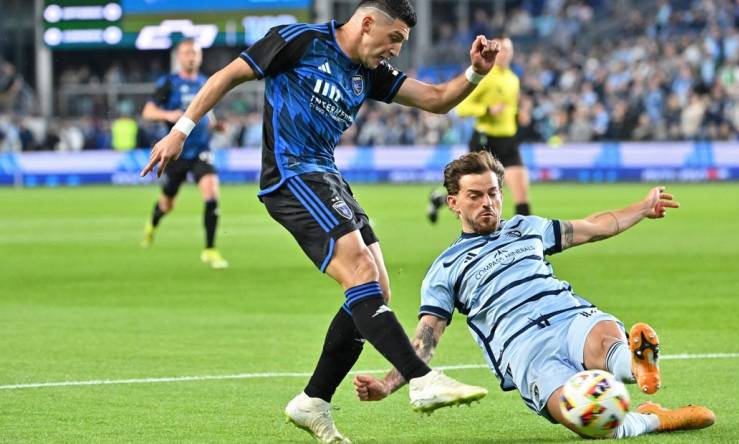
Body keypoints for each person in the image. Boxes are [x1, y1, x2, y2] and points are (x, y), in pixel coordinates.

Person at [141, 1, 501, 442]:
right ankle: (421, 378)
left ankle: (313, 401)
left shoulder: (368, 72)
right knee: (362, 273)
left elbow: (436, 100)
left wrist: (476, 72)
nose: (395, 51)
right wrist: (180, 130)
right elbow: (227, 76)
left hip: (327, 177)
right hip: (291, 175)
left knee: (376, 289)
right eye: (394, 39)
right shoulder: (298, 41)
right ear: (367, 22)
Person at [354, 151, 716, 439]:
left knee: (604, 338)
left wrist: (643, 207)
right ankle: (651, 419)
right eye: (475, 196)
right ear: (453, 203)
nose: (488, 204)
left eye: (494, 193)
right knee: (588, 421)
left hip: (568, 318)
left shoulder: (527, 228)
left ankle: (634, 364)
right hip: (525, 352)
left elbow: (592, 228)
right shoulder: (445, 269)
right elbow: (425, 341)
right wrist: (388, 384)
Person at [140, 38, 228, 269]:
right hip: (176, 154)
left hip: (201, 151)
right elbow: (148, 112)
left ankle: (210, 249)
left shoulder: (205, 82)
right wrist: (169, 117)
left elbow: (207, 114)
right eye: (187, 53)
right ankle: (153, 222)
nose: (192, 57)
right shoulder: (168, 83)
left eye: (195, 53)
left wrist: (215, 125)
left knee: (211, 195)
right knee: (167, 204)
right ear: (179, 57)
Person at [428, 36, 531, 223]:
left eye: (509, 49)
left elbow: (510, 106)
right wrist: (486, 110)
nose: (505, 54)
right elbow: (462, 108)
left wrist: (519, 113)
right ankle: (440, 200)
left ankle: (526, 246)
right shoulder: (485, 77)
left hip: (508, 140)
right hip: (485, 141)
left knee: (522, 197)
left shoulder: (513, 79)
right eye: (502, 50)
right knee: (471, 193)